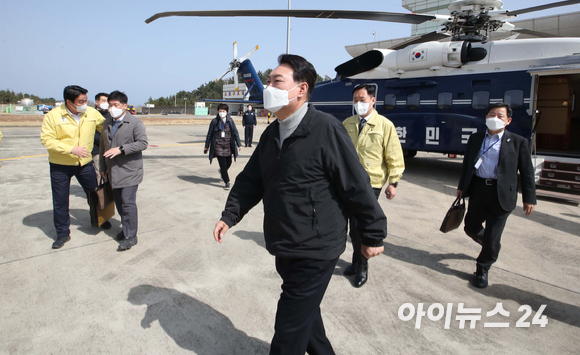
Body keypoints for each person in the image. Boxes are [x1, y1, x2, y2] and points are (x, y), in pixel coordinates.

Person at [212, 54, 387, 355]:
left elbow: (356, 185)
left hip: (316, 248)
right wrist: (230, 215)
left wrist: (372, 234)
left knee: (289, 332)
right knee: (306, 318)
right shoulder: (272, 133)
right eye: (269, 82)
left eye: (276, 81)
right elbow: (251, 180)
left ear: (301, 89)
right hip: (285, 243)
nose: (269, 87)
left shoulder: (326, 130)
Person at [457, 103, 536, 288]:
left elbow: (526, 172)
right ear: (485, 118)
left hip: (502, 195)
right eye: (492, 114)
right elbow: (467, 164)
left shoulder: (518, 142)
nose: (495, 118)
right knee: (470, 227)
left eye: (500, 115)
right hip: (478, 190)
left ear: (508, 121)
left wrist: (529, 197)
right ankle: (490, 246)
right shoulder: (476, 139)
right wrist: (462, 187)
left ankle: (482, 268)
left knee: (493, 236)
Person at [342, 83, 405, 288]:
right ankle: (356, 260)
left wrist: (393, 182)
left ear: (372, 100)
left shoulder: (385, 125)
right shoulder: (347, 123)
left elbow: (394, 156)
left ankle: (362, 266)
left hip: (372, 184)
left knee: (361, 227)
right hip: (348, 182)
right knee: (352, 227)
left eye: (362, 99)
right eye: (355, 100)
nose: (358, 104)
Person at [40, 85, 106, 249]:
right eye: (81, 101)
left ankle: (100, 220)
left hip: (84, 164)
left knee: (94, 195)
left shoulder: (91, 113)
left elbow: (105, 128)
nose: (84, 104)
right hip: (60, 165)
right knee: (61, 201)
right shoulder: (53, 116)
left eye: (85, 100)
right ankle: (62, 233)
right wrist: (71, 149)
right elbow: (47, 140)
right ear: (68, 102)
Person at [99, 91, 148, 252]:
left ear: (124, 106)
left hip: (130, 171)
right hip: (113, 171)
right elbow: (103, 148)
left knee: (128, 203)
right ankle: (126, 228)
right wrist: (103, 167)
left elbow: (142, 143)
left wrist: (121, 149)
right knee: (119, 203)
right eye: (110, 105)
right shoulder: (106, 123)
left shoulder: (134, 123)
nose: (112, 108)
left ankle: (131, 236)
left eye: (116, 105)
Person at [203, 103, 242, 190]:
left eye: (223, 111)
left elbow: (235, 133)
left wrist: (239, 144)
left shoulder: (230, 121)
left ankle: (222, 171)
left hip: (228, 146)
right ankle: (227, 182)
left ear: (227, 112)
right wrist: (206, 146)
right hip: (218, 146)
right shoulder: (214, 121)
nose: (222, 113)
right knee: (223, 165)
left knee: (229, 163)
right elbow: (209, 134)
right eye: (220, 111)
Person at [93, 92, 111, 177]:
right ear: (97, 102)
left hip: (109, 148)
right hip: (97, 149)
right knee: (99, 172)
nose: (106, 103)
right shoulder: (91, 114)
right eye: (103, 101)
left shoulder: (110, 114)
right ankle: (100, 189)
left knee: (109, 171)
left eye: (107, 101)